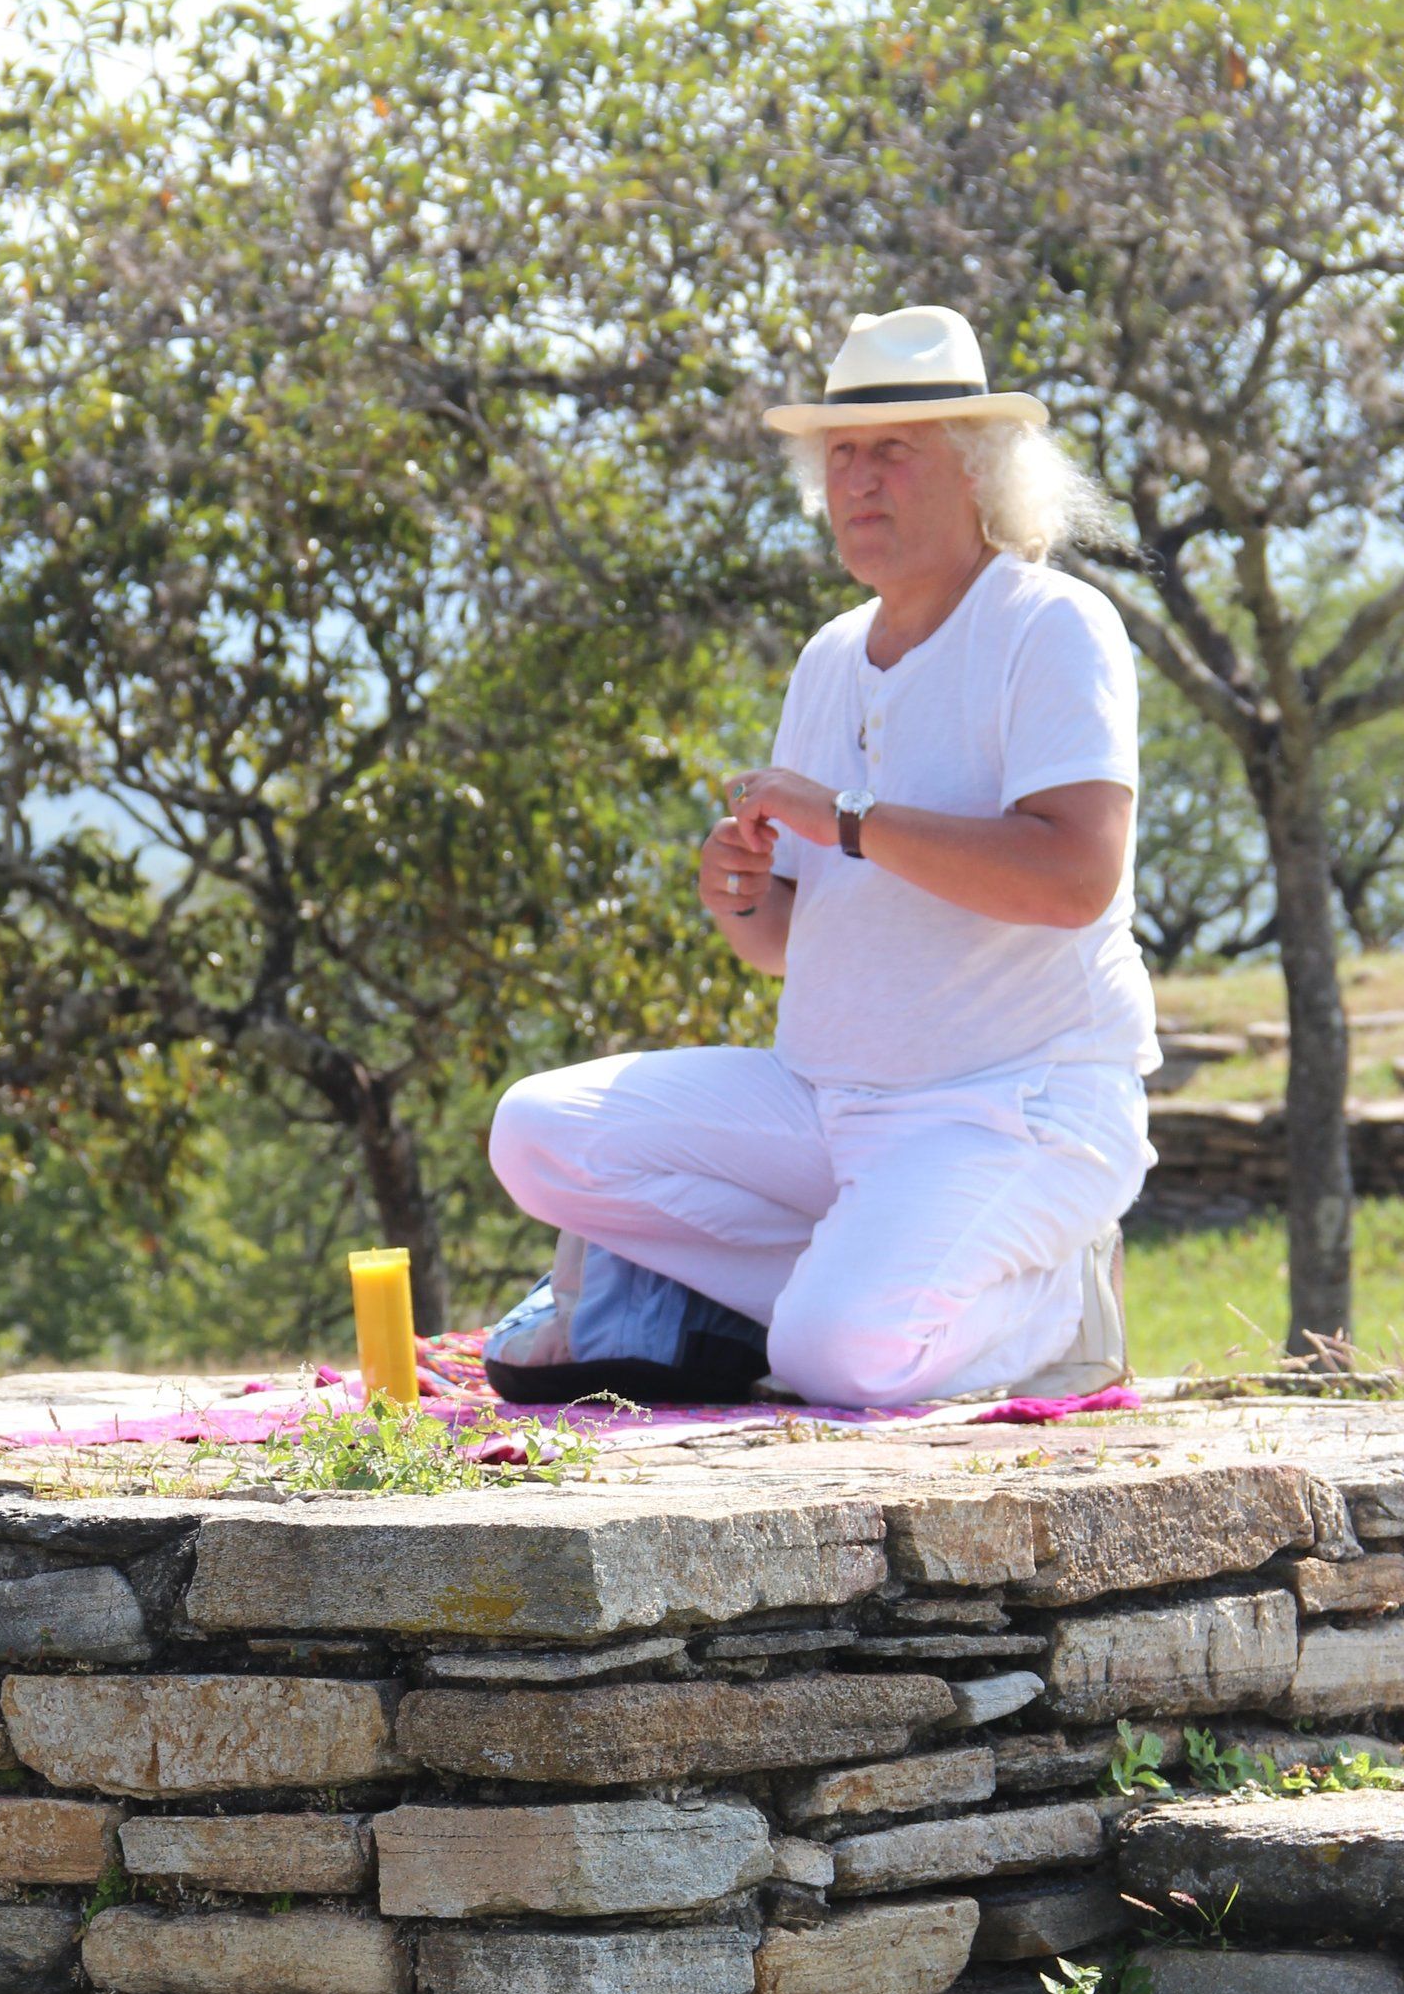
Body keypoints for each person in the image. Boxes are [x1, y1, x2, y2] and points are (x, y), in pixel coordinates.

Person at [482, 302, 1157, 1410]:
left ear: (982, 471)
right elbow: (795, 946)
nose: (860, 479)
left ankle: (1053, 1304)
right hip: (827, 1108)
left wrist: (847, 815)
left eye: (895, 451)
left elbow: (1072, 878)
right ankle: (853, 1283)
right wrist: (742, 900)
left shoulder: (1053, 626)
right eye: (842, 454)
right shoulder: (831, 655)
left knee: (837, 1361)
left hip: (1017, 1108)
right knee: (539, 1136)